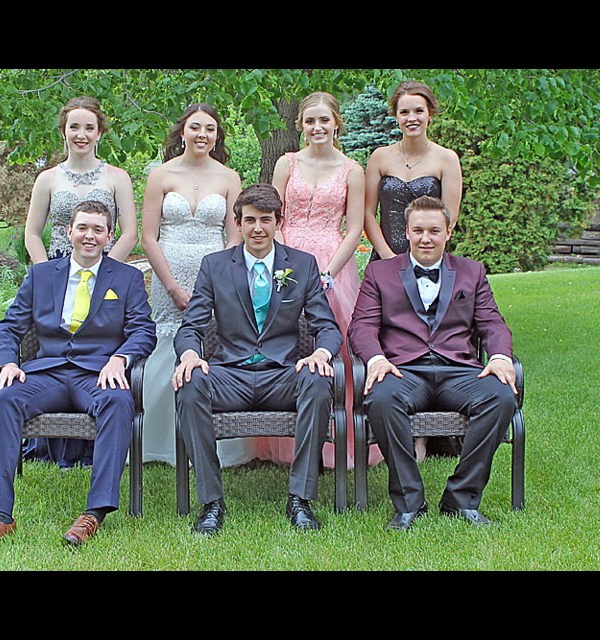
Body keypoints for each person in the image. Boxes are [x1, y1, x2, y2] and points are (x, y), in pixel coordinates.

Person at [0, 200, 156, 552]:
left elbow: (144, 330)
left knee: (118, 402)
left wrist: (121, 358)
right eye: (83, 227)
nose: (89, 236)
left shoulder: (127, 278)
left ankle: (93, 514)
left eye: (98, 229)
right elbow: (8, 327)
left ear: (109, 236)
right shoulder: (41, 276)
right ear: (69, 232)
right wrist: (8, 363)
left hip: (97, 374)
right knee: (6, 398)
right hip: (48, 372)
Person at [172, 184, 343, 535]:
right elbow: (191, 325)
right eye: (250, 220)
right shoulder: (215, 265)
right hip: (230, 374)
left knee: (318, 380)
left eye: (266, 220)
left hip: (283, 374)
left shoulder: (302, 265)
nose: (258, 228)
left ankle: (300, 499)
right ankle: (211, 502)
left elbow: (326, 326)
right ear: (237, 223)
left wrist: (321, 354)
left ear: (278, 222)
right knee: (189, 384)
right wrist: (189, 354)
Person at [347, 195, 517, 530]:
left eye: (434, 230)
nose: (426, 238)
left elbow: (492, 323)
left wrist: (499, 356)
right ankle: (409, 503)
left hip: (458, 371)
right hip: (403, 370)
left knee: (500, 397)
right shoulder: (380, 273)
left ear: (448, 231)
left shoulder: (472, 271)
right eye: (418, 230)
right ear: (407, 233)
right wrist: (376, 358)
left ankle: (462, 499)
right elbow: (362, 326)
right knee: (381, 398)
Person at [264, 90, 381, 469]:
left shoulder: (352, 169)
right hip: (286, 258)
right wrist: (283, 262)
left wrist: (329, 271)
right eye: (310, 121)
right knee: (286, 339)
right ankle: (287, 435)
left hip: (334, 262)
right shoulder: (286, 164)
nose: (317, 127)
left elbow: (354, 228)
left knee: (335, 343)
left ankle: (339, 438)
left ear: (336, 124)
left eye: (324, 120)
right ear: (301, 125)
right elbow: (272, 217)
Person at [22, 95, 140, 468]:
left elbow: (130, 234)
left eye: (89, 127)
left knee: (96, 351)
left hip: (105, 274)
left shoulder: (116, 178)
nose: (81, 134)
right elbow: (31, 233)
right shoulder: (48, 179)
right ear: (64, 131)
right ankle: (48, 442)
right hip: (54, 273)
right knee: (52, 353)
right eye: (74, 126)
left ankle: (97, 445)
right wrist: (46, 279)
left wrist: (105, 274)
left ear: (100, 132)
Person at [140, 103, 255, 467]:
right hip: (167, 272)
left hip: (214, 272)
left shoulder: (229, 178)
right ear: (182, 132)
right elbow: (148, 237)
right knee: (169, 341)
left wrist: (219, 282)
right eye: (195, 127)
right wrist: (172, 287)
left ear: (217, 135)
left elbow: (234, 237)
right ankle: (158, 441)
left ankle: (216, 443)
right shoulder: (160, 175)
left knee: (211, 341)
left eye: (209, 129)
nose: (202, 135)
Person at [362, 80, 464, 460]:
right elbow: (368, 213)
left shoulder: (445, 159)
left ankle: (426, 436)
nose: (411, 118)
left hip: (430, 261)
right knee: (391, 341)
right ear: (396, 116)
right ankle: (396, 430)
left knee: (424, 342)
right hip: (385, 261)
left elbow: (447, 218)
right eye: (404, 111)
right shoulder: (380, 158)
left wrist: (421, 260)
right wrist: (389, 257)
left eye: (418, 110)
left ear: (430, 114)